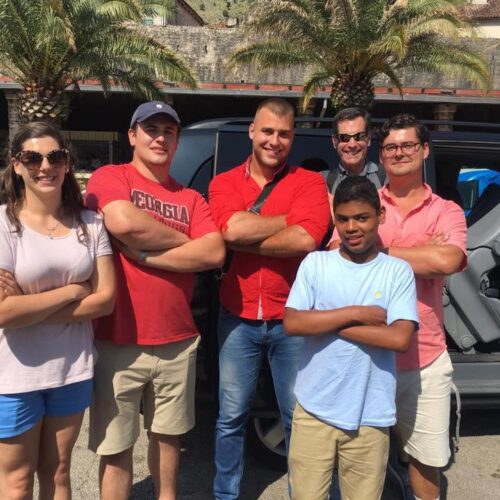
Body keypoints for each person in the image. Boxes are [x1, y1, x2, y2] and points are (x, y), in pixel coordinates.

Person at [85, 101, 225, 500]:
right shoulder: (111, 176)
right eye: (151, 129)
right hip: (117, 340)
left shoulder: (192, 198)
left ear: (177, 140)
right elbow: (124, 223)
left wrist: (146, 254)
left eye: (168, 131)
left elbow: (214, 253)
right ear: (132, 136)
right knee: (116, 447)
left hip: (177, 340)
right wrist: (188, 246)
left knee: (168, 439)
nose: (160, 137)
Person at [209, 97, 331, 499]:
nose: (274, 140)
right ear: (252, 132)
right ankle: (226, 494)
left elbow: (308, 238)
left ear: (292, 136)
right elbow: (229, 230)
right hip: (237, 316)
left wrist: (249, 235)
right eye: (267, 131)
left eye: (283, 133)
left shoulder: (310, 182)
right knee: (230, 416)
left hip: (292, 318)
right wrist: (287, 220)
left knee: (298, 417)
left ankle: (304, 493)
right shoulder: (224, 181)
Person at [0, 121, 115, 500]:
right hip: (14, 377)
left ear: (67, 164)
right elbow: (3, 314)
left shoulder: (90, 223)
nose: (45, 166)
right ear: (16, 165)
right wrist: (71, 291)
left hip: (72, 369)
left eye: (56, 157)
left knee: (59, 471)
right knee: (17, 480)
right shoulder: (3, 224)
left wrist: (27, 308)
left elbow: (105, 299)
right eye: (33, 158)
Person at [284, 176, 418, 500]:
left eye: (361, 218)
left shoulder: (396, 272)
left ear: (380, 215)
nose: (352, 227)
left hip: (370, 414)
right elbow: (292, 322)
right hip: (314, 410)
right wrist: (357, 313)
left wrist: (325, 320)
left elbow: (400, 339)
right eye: (343, 219)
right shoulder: (316, 263)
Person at [377, 114, 467, 500]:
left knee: (424, 459)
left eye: (408, 145)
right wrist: (423, 251)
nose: (400, 153)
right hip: (371, 356)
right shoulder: (364, 202)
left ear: (424, 149)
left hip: (426, 359)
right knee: (367, 460)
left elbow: (446, 261)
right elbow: (340, 257)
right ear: (381, 156)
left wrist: (376, 252)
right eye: (391, 147)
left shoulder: (446, 210)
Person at [321, 107, 385, 195]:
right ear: (334, 141)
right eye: (344, 138)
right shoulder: (322, 182)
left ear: (369, 139)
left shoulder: (386, 177)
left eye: (359, 136)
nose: (352, 145)